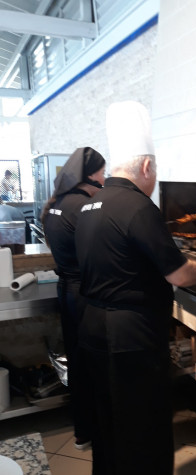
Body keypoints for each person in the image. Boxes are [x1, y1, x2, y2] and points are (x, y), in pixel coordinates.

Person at [74, 101, 196, 475]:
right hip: (131, 337)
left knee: (114, 425)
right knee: (142, 432)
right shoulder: (139, 208)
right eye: (155, 170)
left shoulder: (91, 205)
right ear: (146, 167)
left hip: (94, 329)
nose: (155, 178)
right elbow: (180, 274)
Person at [42, 147, 106, 450]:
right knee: (95, 363)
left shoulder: (57, 204)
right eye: (102, 172)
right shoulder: (85, 207)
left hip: (66, 291)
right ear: (89, 175)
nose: (104, 179)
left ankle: (83, 431)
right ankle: (101, 430)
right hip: (86, 294)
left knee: (78, 362)